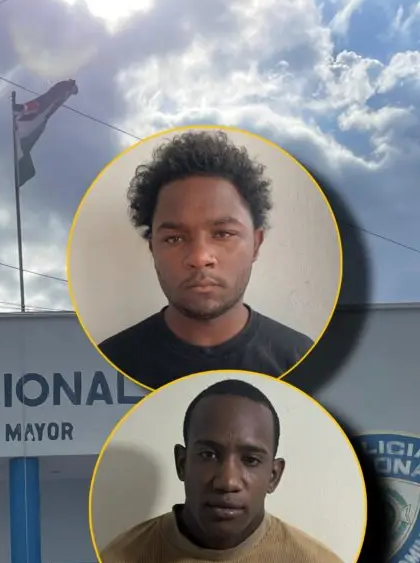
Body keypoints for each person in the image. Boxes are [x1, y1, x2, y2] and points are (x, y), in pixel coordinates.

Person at [98, 378, 351, 563]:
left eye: (250, 460)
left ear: (273, 476)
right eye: (208, 455)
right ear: (182, 463)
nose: (227, 482)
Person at [97, 130, 315, 389]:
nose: (200, 257)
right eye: (174, 238)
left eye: (223, 234)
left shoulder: (303, 360)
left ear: (256, 244)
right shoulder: (108, 365)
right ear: (153, 247)